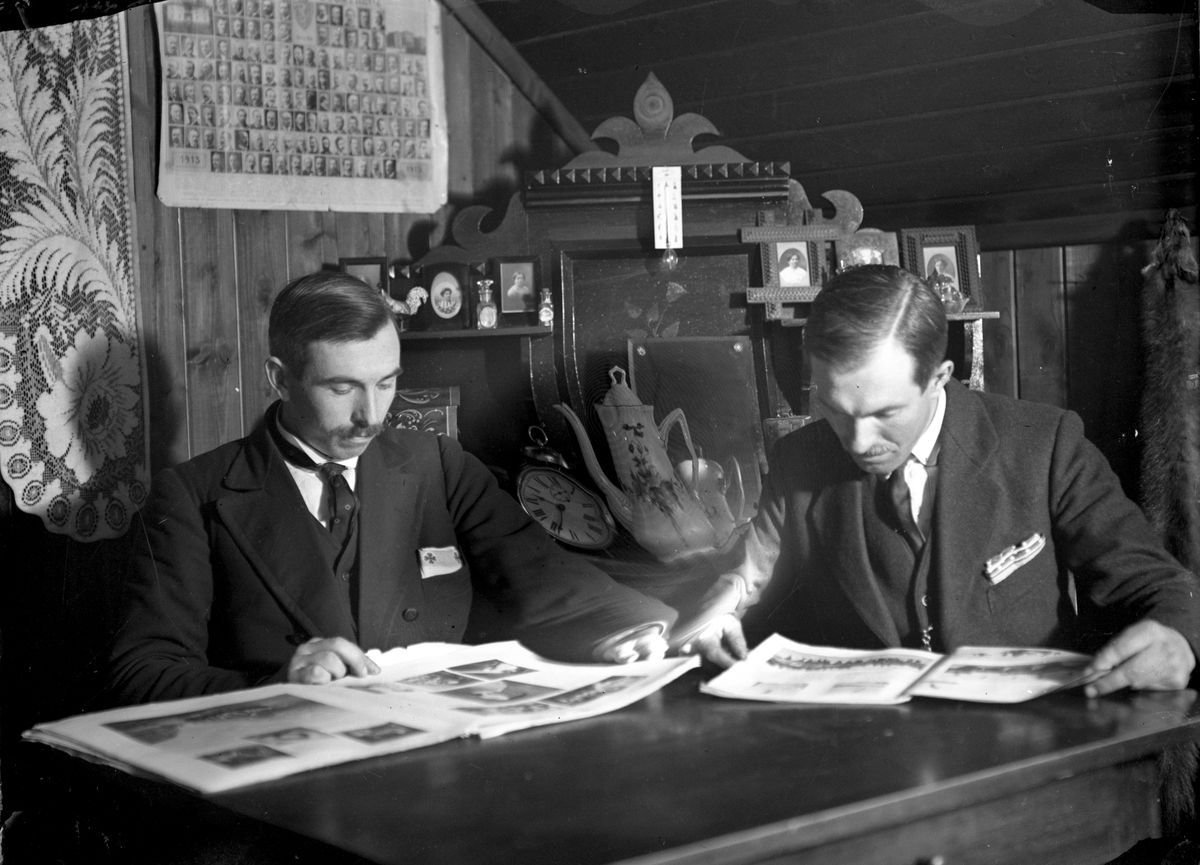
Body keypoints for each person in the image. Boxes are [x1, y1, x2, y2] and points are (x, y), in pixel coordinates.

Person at [108, 273, 673, 704]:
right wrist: (277, 684)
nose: (370, 417)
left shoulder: (439, 465)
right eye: (342, 388)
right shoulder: (191, 494)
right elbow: (143, 671)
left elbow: (554, 581)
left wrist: (643, 630)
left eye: (387, 383)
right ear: (279, 379)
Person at [691, 265, 1199, 697]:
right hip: (866, 760)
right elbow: (747, 586)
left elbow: (1158, 585)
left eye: (885, 412)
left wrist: (1177, 637)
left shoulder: (1044, 445)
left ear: (940, 377)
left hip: (1029, 751)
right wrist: (720, 619)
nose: (858, 440)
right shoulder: (797, 461)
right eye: (832, 408)